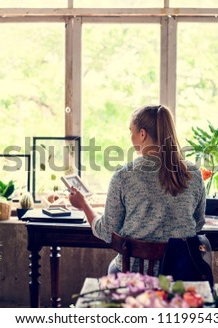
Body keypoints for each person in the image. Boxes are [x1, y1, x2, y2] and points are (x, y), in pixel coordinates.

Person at [68, 104, 206, 274]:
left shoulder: (123, 176)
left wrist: (83, 205)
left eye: (131, 132)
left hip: (135, 277)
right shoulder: (194, 173)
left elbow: (106, 232)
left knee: (113, 269)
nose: (130, 137)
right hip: (182, 275)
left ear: (142, 134)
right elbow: (198, 223)